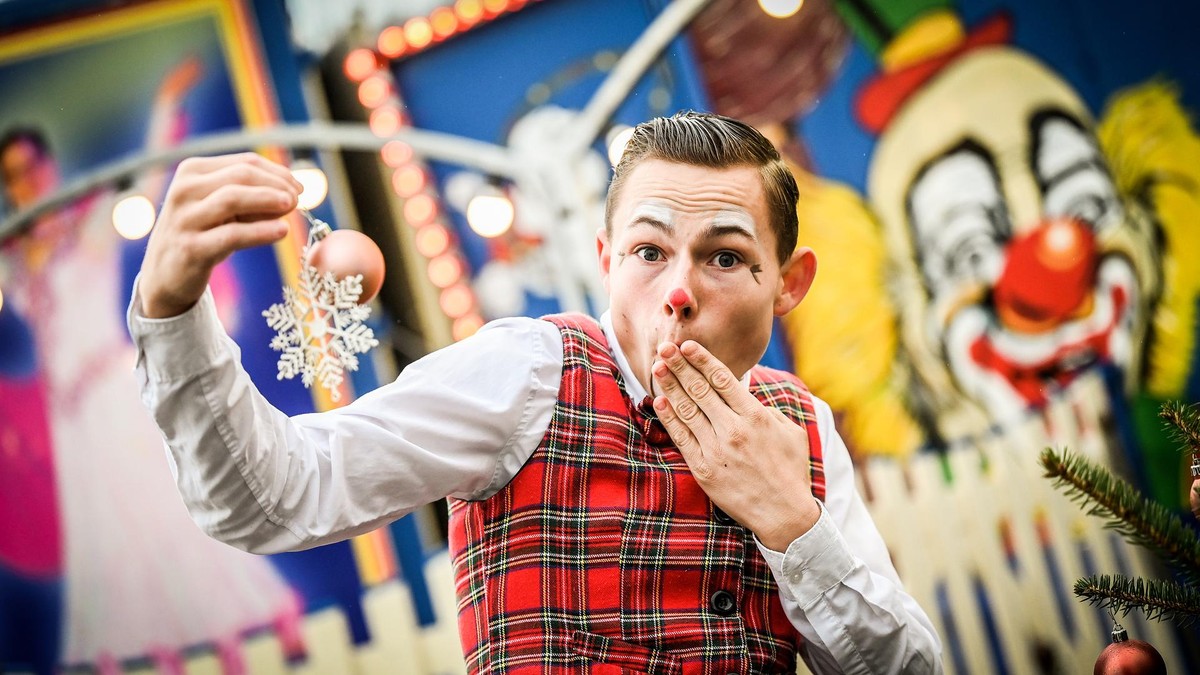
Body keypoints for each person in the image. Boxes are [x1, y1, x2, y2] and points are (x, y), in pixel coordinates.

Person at [130, 111, 943, 673]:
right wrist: (169, 312)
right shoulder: (529, 373)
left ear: (789, 283)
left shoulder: (801, 428)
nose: (680, 289)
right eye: (649, 250)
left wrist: (791, 523)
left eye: (726, 257)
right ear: (605, 257)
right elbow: (270, 498)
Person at [0, 58, 298, 671]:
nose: (27, 183)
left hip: (112, 394)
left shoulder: (88, 229)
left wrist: (164, 110)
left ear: (48, 166)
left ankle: (252, 627)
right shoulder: (14, 262)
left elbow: (149, 184)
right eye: (12, 178)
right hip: (73, 419)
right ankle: (151, 648)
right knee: (106, 538)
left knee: (169, 510)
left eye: (31, 168)